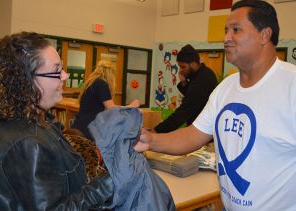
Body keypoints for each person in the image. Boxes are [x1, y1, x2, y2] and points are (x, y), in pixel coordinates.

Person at [135, 1, 296, 210]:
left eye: (236, 30)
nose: (226, 38)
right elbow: (193, 135)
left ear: (264, 35)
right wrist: (149, 140)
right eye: (226, 30)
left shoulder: (291, 86)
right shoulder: (225, 88)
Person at [0, 32, 114, 210]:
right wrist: (112, 180)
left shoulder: (38, 122)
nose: (65, 76)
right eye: (56, 70)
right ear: (26, 80)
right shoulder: (27, 143)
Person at [154, 44, 218, 133]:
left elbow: (184, 112)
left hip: (205, 131)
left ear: (194, 63)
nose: (181, 70)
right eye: (180, 67)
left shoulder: (202, 79)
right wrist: (184, 82)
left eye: (183, 67)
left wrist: (156, 131)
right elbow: (192, 96)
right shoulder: (202, 74)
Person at [72, 60, 140, 140]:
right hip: (90, 129)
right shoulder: (101, 83)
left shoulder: (91, 82)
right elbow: (111, 109)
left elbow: (106, 107)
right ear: (110, 73)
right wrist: (131, 106)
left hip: (80, 126)